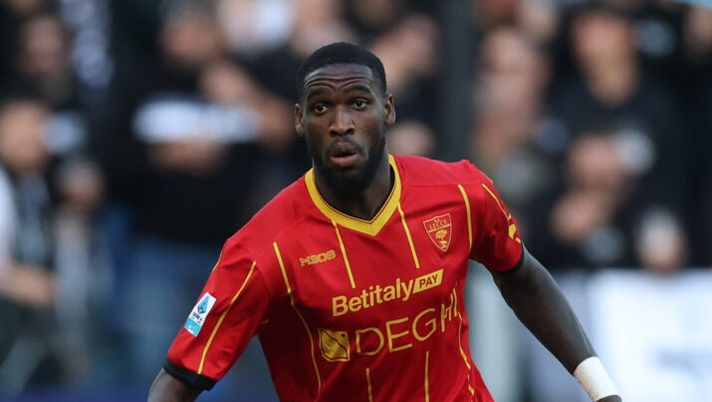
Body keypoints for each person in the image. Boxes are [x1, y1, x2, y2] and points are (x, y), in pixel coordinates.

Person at [147, 42, 621, 402]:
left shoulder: (460, 192)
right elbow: (176, 382)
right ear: (299, 120)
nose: (341, 123)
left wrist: (603, 391)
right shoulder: (261, 250)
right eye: (321, 108)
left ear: (388, 109)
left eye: (358, 103)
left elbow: (521, 274)